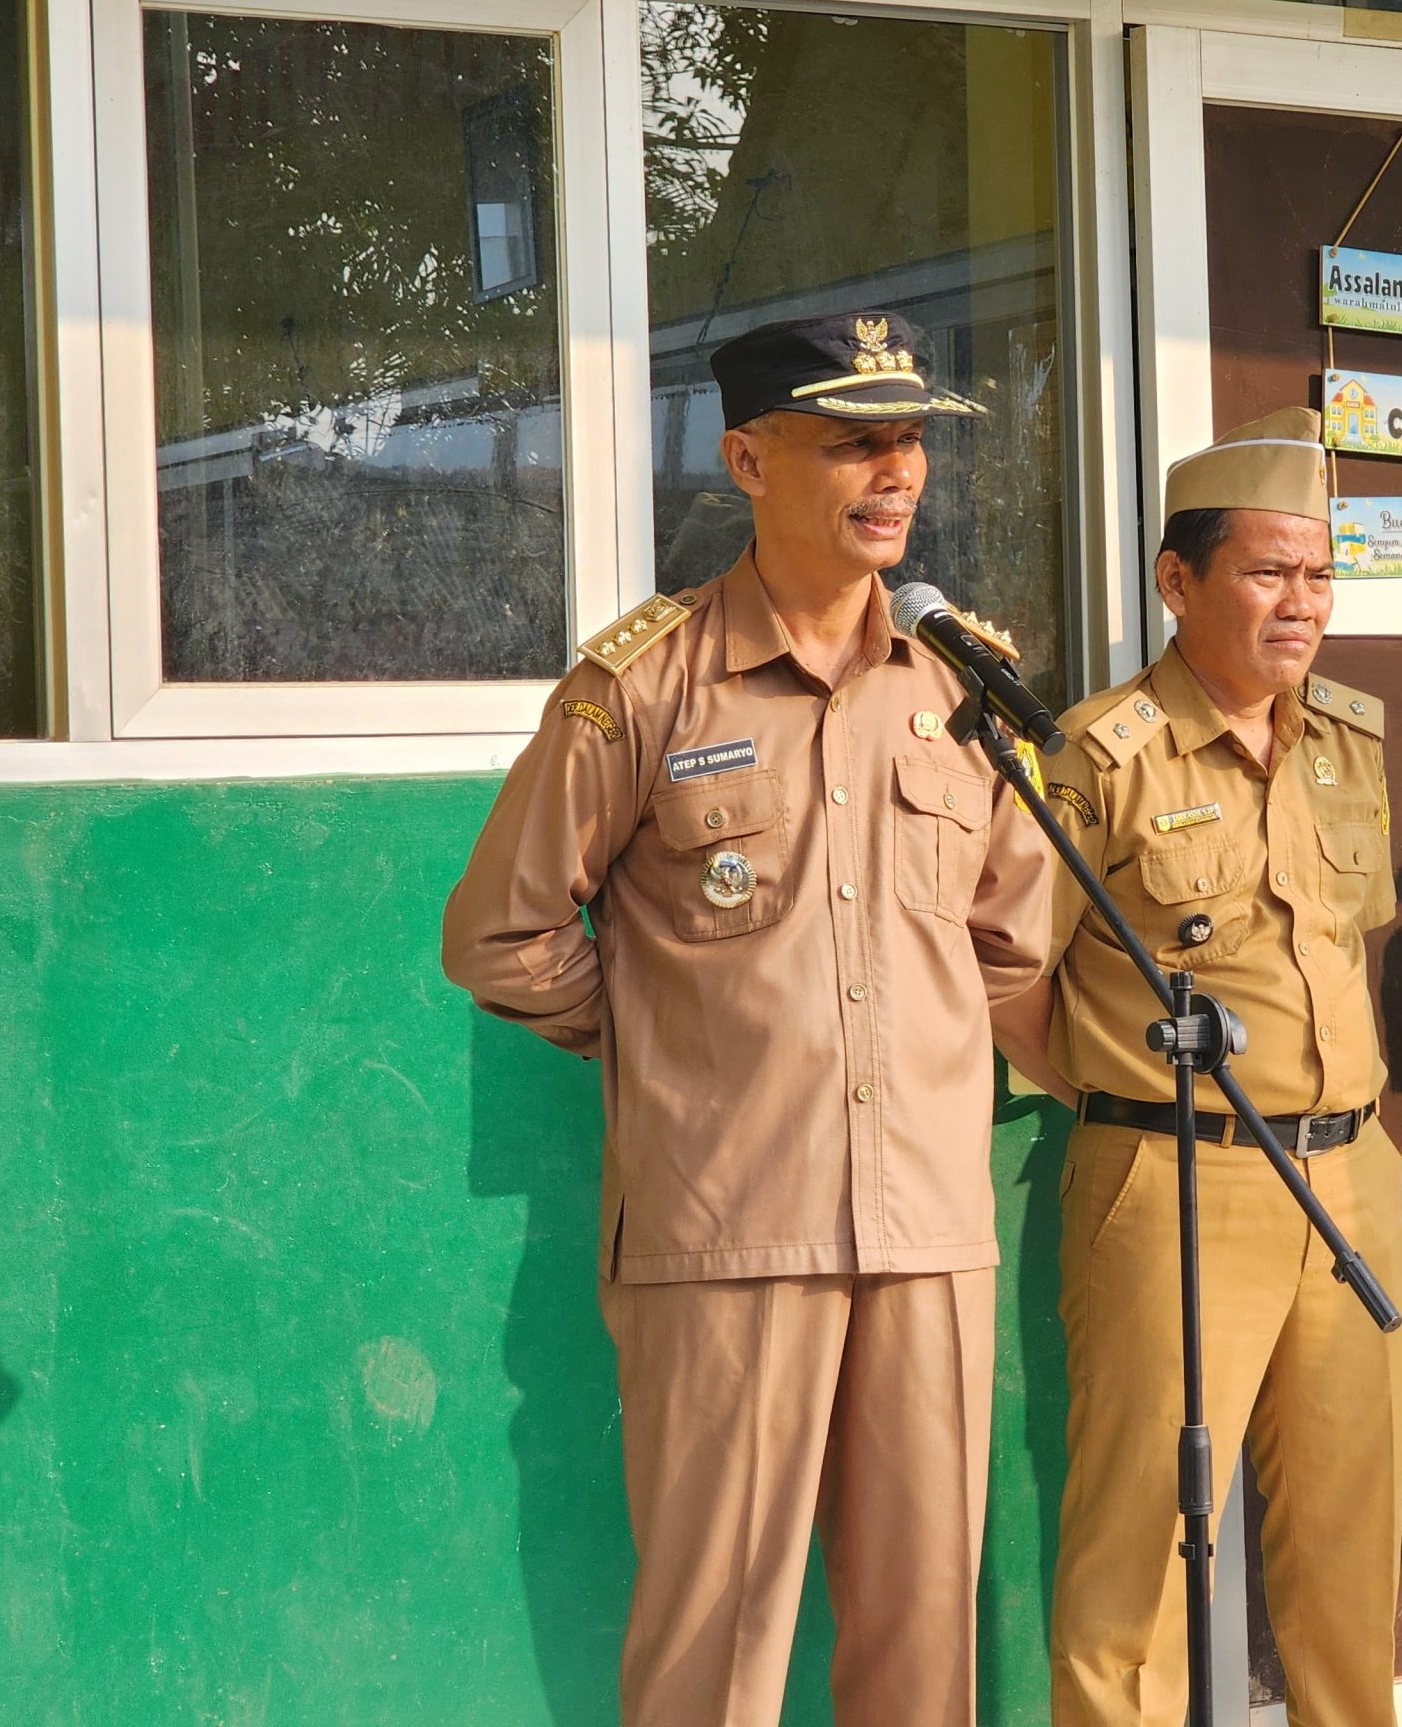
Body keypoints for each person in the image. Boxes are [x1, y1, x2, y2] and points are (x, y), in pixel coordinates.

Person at [440, 312, 1052, 1727]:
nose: (896, 473)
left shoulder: (962, 686)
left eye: (909, 441)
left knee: (926, 1640)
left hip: (924, 1230)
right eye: (854, 443)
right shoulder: (641, 687)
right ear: (748, 462)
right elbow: (503, 934)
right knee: (714, 1648)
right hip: (728, 1226)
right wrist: (674, 1041)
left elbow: (1012, 939)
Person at [990, 407, 1402, 1727]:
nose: (1304, 602)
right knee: (1138, 1567)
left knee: (1349, 1555)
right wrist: (1120, 1093)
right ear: (1179, 580)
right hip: (1177, 1182)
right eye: (1268, 571)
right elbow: (1008, 973)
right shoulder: (1098, 755)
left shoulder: (1346, 738)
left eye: (1320, 573)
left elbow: (1349, 944)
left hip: (1349, 1180)